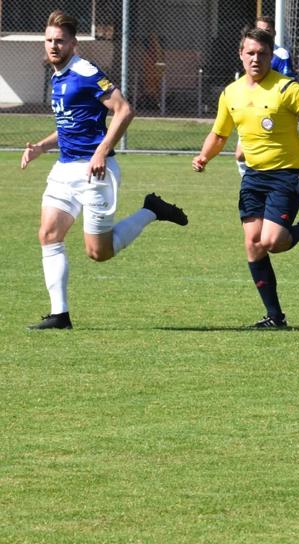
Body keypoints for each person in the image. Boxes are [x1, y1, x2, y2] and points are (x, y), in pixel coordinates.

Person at [20, 10, 188, 330]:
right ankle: (60, 315)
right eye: (49, 40)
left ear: (73, 43)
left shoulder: (85, 71)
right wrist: (42, 147)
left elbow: (125, 109)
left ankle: (151, 210)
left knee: (99, 253)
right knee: (48, 234)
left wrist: (102, 149)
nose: (53, 46)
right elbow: (71, 126)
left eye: (60, 41)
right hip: (64, 170)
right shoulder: (57, 75)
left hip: (95, 172)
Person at [192, 27, 299, 328]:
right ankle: (275, 317)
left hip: (286, 176)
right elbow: (219, 134)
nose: (256, 59)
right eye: (250, 53)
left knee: (272, 241)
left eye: (262, 54)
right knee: (253, 245)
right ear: (240, 54)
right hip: (253, 178)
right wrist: (204, 156)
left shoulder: (287, 88)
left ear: (271, 56)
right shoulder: (231, 93)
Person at [238, 17, 299, 214]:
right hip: (251, 111)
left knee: (278, 161)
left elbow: (288, 80)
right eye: (259, 29)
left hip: (273, 114)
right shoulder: (252, 51)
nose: (263, 33)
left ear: (273, 33)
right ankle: (258, 193)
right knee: (241, 154)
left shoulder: (280, 54)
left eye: (267, 30)